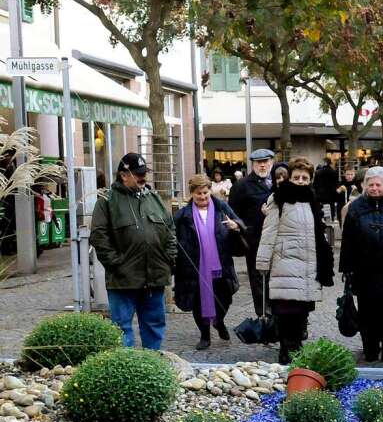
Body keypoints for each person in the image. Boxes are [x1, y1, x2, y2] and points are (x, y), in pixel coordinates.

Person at [90, 153, 176, 349]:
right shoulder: (107, 200)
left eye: (144, 173)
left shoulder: (153, 198)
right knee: (121, 328)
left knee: (154, 325)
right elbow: (98, 236)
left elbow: (170, 231)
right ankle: (125, 368)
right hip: (123, 279)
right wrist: (116, 264)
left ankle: (152, 365)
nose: (142, 177)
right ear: (123, 175)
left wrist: (169, 259)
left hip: (154, 276)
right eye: (137, 174)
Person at [255, 157, 335, 364]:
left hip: (308, 264)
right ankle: (285, 347)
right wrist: (263, 262)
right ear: (290, 177)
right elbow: (269, 231)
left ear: (310, 180)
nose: (300, 180)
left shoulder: (313, 200)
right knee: (284, 310)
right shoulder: (279, 198)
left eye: (304, 178)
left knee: (301, 311)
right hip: (285, 262)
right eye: (297, 177)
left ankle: (297, 347)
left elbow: (321, 232)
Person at [339, 166, 383, 364]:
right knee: (368, 312)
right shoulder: (356, 208)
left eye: (378, 185)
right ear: (364, 186)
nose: (375, 188)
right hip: (364, 269)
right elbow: (348, 239)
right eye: (371, 185)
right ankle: (370, 349)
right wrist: (347, 268)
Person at [173, 174, 245, 350]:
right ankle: (205, 335)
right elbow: (173, 238)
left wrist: (236, 226)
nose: (203, 197)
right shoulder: (183, 216)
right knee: (198, 303)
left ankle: (219, 322)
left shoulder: (222, 208)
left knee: (224, 298)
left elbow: (240, 222)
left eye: (205, 193)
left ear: (210, 191)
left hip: (221, 264)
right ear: (192, 194)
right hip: (194, 267)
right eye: (199, 194)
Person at [229, 148, 275, 316]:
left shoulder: (279, 183)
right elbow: (233, 214)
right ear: (253, 164)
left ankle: (277, 315)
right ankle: (263, 315)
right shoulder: (241, 186)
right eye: (258, 162)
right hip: (254, 240)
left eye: (265, 162)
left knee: (276, 278)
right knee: (258, 279)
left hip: (277, 239)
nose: (262, 165)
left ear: (271, 162)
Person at [314, 157, 340, 221]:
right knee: (330, 214)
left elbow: (315, 185)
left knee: (321, 214)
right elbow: (336, 185)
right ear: (330, 163)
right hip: (331, 197)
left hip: (320, 197)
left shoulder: (318, 172)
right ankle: (330, 224)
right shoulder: (334, 172)